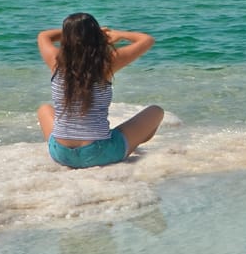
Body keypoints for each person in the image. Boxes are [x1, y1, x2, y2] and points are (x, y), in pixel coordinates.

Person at [36, 12, 165, 168]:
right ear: (96, 36)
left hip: (61, 154)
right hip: (99, 153)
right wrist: (117, 34)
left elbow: (44, 36)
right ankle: (132, 144)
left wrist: (73, 32)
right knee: (156, 111)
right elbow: (147, 40)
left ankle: (78, 148)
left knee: (44, 109)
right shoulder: (106, 63)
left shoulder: (55, 61)